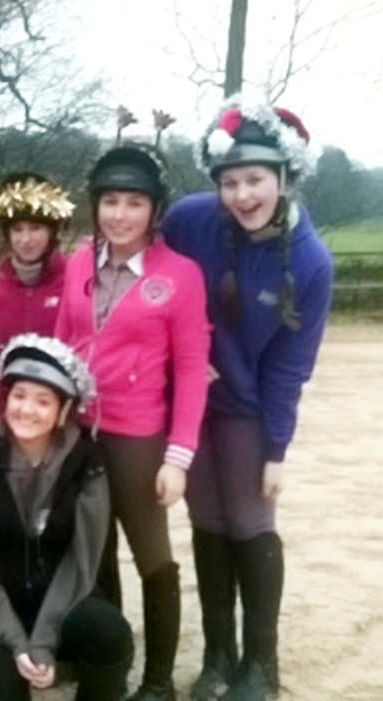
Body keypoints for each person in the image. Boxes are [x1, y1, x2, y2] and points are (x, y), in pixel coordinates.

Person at [161, 97, 333, 701]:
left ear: (284, 178)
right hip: (189, 401)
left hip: (250, 407)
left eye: (255, 179)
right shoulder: (190, 219)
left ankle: (261, 664)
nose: (242, 195)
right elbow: (152, 271)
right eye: (230, 181)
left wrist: (277, 447)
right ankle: (217, 654)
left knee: (250, 522)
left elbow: (291, 365)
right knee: (206, 522)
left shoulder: (310, 262)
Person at [54, 143, 211, 701]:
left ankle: (158, 679)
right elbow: (64, 345)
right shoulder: (78, 263)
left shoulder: (181, 276)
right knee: (90, 553)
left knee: (152, 556)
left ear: (154, 211)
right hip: (80, 433)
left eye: (134, 203)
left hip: (138, 436)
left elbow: (193, 369)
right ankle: (107, 663)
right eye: (110, 201)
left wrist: (178, 456)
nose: (120, 214)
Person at [0, 333, 132, 701]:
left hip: (68, 600)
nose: (27, 410)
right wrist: (19, 643)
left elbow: (81, 563)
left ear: (63, 411)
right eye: (19, 395)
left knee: (110, 632)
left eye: (43, 401)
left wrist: (44, 642)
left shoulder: (88, 462)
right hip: (2, 607)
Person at [0, 173, 74, 429]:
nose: (25, 240)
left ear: (53, 231)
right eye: (17, 229)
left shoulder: (75, 283)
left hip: (61, 420)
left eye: (35, 228)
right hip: (6, 420)